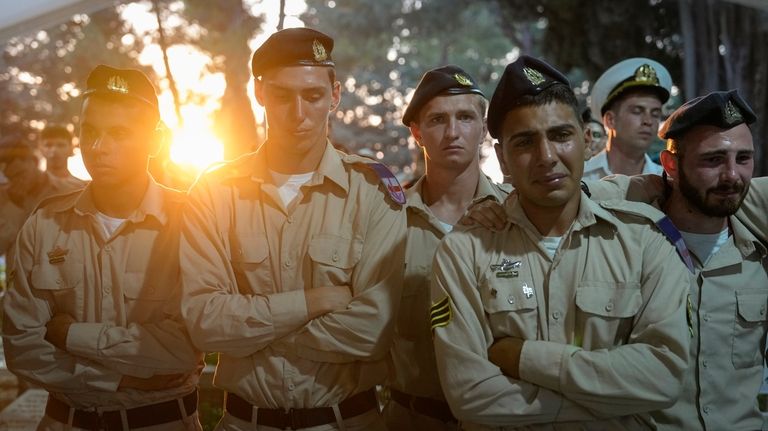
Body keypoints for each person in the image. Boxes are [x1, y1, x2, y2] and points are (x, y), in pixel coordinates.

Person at [430, 55, 690, 429]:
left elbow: (663, 376)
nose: (546, 157)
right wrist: (611, 401)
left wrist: (523, 358)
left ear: (586, 140)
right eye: (525, 142)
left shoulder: (645, 240)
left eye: (560, 136)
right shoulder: (465, 251)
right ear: (502, 157)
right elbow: (470, 394)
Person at [179, 28, 406, 431]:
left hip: (346, 422)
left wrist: (253, 333)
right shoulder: (214, 192)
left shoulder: (372, 192)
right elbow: (205, 324)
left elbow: (372, 331)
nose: (298, 113)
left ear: (334, 96)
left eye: (313, 96)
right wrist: (314, 301)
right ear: (260, 93)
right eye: (282, 96)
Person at [2, 64, 204, 431]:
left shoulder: (192, 223)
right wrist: (120, 380)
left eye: (119, 133)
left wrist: (69, 335)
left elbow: (185, 349)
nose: (98, 148)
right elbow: (21, 345)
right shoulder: (46, 223)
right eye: (89, 131)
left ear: (155, 141)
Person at [586, 90, 767, 430]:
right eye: (713, 160)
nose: (732, 176)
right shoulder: (629, 244)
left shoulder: (757, 247)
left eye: (743, 158)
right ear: (670, 165)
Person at [385, 65, 509, 430]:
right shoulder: (388, 221)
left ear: (483, 130)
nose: (453, 132)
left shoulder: (517, 216)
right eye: (438, 120)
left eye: (466, 118)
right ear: (417, 133)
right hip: (410, 419)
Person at [582, 57, 671, 180]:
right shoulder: (581, 177)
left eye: (655, 114)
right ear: (610, 120)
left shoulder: (667, 182)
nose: (648, 121)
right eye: (637, 111)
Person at [0, 138, 79, 257]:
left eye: (20, 174)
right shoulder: (5, 198)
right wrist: (14, 207)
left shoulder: (71, 191)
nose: (18, 181)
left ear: (34, 162)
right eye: (11, 178)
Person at [39, 124, 88, 189]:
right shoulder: (31, 186)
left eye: (61, 145)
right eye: (48, 145)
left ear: (71, 149)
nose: (54, 150)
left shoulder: (82, 188)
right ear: (40, 148)